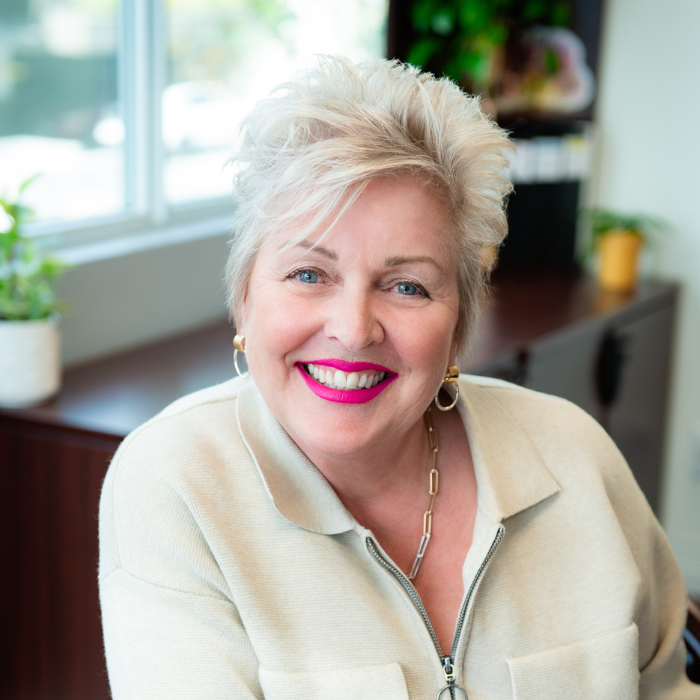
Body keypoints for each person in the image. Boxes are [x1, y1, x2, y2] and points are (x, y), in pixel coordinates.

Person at [98, 56, 698, 699]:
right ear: (244, 298)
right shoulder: (176, 480)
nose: (354, 330)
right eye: (309, 274)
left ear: (460, 324)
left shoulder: (574, 453)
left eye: (407, 286)